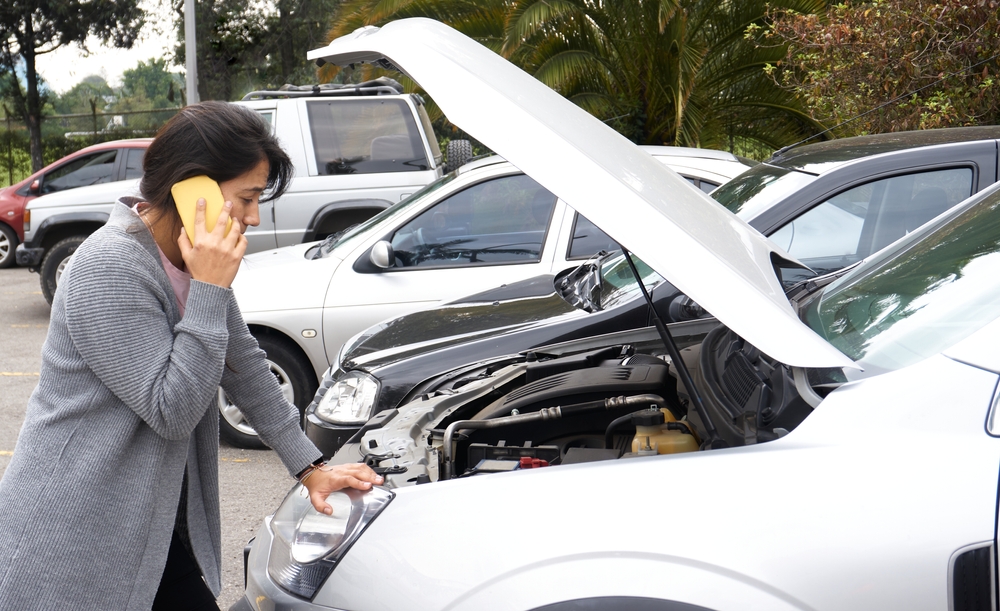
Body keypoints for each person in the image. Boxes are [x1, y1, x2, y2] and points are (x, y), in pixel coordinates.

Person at [0, 101, 382, 610]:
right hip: (77, 533)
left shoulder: (186, 259)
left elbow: (243, 365)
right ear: (191, 189)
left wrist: (309, 468)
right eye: (246, 197)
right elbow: (171, 410)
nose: (253, 216)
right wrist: (208, 287)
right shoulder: (108, 267)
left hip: (156, 524)